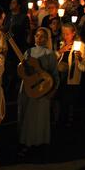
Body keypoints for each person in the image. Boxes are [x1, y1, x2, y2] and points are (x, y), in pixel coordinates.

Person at [18, 28, 59, 159]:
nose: (39, 38)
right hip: (28, 87)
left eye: (42, 36)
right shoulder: (28, 52)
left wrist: (53, 91)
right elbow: (22, 71)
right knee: (27, 116)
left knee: (40, 117)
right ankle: (26, 143)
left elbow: (54, 74)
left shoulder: (50, 54)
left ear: (47, 39)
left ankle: (40, 143)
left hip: (43, 88)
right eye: (37, 35)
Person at [55, 24, 85, 127]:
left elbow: (84, 66)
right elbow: (51, 59)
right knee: (59, 100)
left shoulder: (80, 45)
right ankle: (58, 119)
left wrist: (79, 58)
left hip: (71, 78)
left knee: (70, 100)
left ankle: (70, 121)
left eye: (67, 34)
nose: (65, 36)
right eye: (63, 34)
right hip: (59, 76)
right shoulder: (60, 43)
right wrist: (61, 51)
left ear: (74, 33)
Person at [3, 0, 30, 101]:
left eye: (14, 2)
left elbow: (26, 33)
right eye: (11, 2)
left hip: (18, 47)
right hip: (8, 48)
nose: (11, 4)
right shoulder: (8, 16)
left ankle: (16, 94)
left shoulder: (23, 17)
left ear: (18, 5)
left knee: (16, 72)